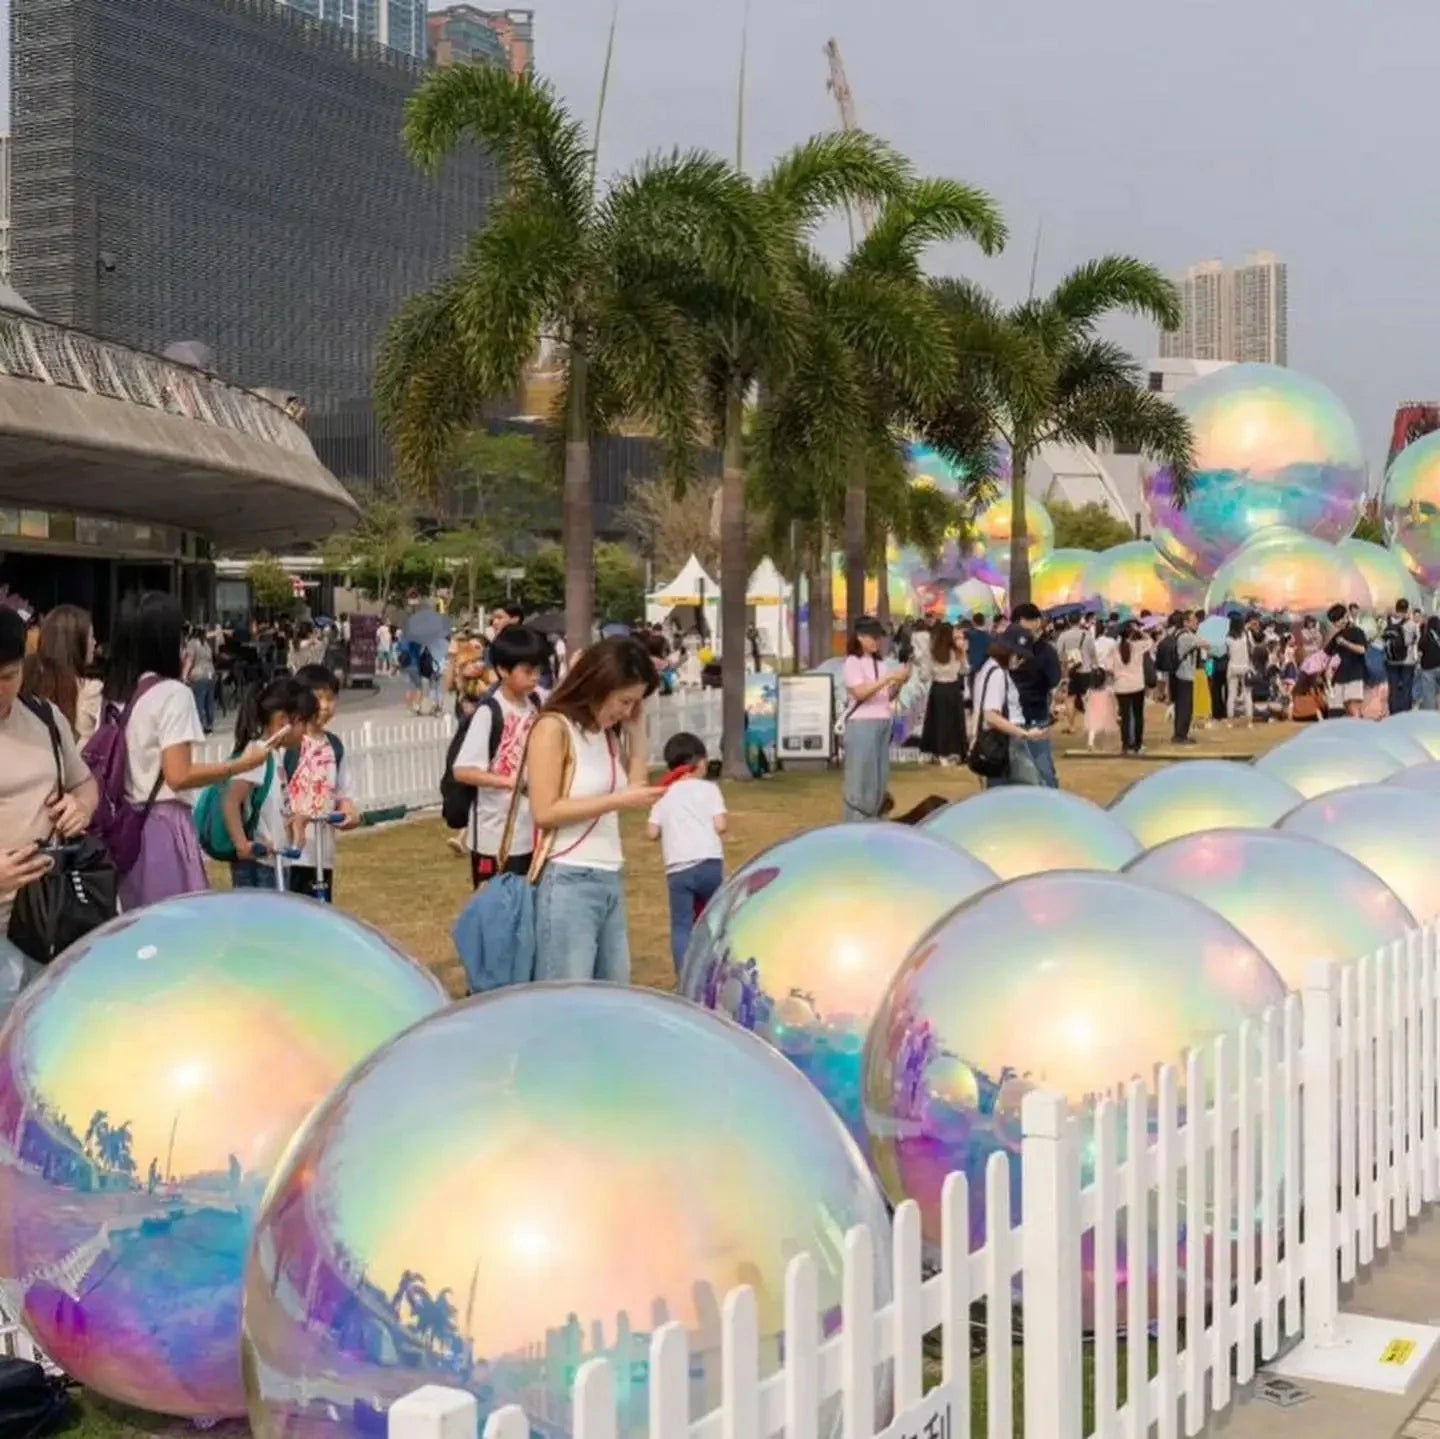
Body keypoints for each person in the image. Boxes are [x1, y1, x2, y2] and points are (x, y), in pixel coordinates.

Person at [104, 591, 269, 910]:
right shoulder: (172, 694)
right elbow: (179, 775)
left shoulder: (118, 694)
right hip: (161, 825)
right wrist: (240, 765)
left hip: (125, 824)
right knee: (177, 925)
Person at [525, 636, 663, 983]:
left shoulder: (605, 735)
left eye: (635, 702)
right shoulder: (553, 728)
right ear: (600, 685)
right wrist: (618, 801)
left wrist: (636, 733)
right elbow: (545, 810)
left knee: (613, 994)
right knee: (568, 999)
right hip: (569, 877)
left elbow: (635, 788)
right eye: (624, 701)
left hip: (609, 875)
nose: (626, 710)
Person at [0, 606, 98, 1016]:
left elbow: (85, 783)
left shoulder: (44, 717)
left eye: (8, 677)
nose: (1, 691)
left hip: (51, 918)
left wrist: (80, 806)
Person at [452, 625, 548, 889]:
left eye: (538, 671)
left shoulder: (536, 706)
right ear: (504, 671)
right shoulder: (489, 712)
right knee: (497, 909)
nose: (535, 678)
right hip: (493, 834)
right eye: (527, 671)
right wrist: (509, 782)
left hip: (530, 829)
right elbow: (463, 770)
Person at [223, 677, 316, 890]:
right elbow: (231, 800)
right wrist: (242, 844)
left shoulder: (274, 756)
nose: (305, 732)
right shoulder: (257, 755)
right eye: (303, 723)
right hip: (259, 866)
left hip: (275, 861)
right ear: (283, 721)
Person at [647, 731, 727, 970]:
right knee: (715, 919)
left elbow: (651, 832)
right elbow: (721, 825)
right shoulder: (710, 790)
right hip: (709, 863)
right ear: (699, 762)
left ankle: (685, 976)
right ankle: (715, 970)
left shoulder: (663, 794)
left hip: (678, 869)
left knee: (682, 925)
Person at [286, 665, 361, 898]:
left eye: (331, 698)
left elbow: (343, 796)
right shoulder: (288, 744)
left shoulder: (335, 747)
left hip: (323, 855)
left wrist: (349, 815)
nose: (325, 706)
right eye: (319, 698)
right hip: (291, 855)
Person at [842, 618, 907, 822]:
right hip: (862, 723)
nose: (876, 642)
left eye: (878, 638)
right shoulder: (852, 662)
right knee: (861, 776)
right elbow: (861, 693)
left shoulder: (881, 664)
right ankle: (855, 819)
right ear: (860, 637)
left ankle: (876, 815)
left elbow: (886, 695)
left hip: (882, 720)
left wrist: (899, 682)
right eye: (872, 637)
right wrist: (886, 679)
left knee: (879, 776)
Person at [969, 628, 1044, 787]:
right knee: (1032, 792)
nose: (1021, 661)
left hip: (995, 741)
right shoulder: (997, 673)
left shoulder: (987, 668)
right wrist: (1024, 734)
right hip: (1007, 740)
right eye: (1020, 656)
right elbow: (991, 715)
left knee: (1001, 793)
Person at [23, 604, 103, 742]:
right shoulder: (91, 690)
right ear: (75, 643)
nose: (94, 643)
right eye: (91, 636)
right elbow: (86, 748)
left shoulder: (25, 677)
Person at [1011, 603, 1061, 787]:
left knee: (1041, 770)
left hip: (1028, 717)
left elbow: (1055, 681)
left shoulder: (1045, 651)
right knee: (1033, 770)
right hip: (1019, 718)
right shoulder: (1044, 651)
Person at [918, 621, 967, 766]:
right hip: (953, 690)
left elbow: (924, 676)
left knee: (937, 721)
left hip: (938, 689)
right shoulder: (957, 652)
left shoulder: (932, 654)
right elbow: (964, 670)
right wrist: (963, 654)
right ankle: (955, 752)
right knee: (954, 721)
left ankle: (936, 752)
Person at [1111, 619, 1153, 755]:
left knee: (1125, 718)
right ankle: (1137, 745)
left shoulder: (1114, 649)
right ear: (1131, 634)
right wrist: (1139, 630)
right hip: (1136, 686)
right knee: (1138, 716)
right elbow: (1150, 640)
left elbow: (1108, 667)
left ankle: (1126, 745)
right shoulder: (1138, 646)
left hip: (1121, 686)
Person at [1325, 602, 1369, 718]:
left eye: (1338, 620)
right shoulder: (1337, 636)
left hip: (1355, 674)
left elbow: (1362, 649)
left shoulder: (1357, 631)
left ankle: (1357, 731)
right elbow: (1326, 654)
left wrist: (1345, 643)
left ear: (1345, 617)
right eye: (1334, 622)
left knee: (1353, 706)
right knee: (1338, 707)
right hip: (1340, 676)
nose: (1336, 624)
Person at [1085, 625, 1120, 752]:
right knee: (1106, 722)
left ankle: (1092, 742)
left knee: (1093, 726)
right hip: (1106, 670)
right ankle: (1106, 744)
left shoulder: (1093, 642)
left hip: (1096, 670)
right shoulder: (1112, 642)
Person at [1384, 599, 1420, 714]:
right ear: (1407, 609)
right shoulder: (1412, 624)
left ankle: (1393, 713)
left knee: (1393, 689)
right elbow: (1416, 640)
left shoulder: (1388, 622)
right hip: (1408, 661)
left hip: (1391, 661)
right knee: (1406, 688)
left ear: (1396, 608)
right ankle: (1405, 715)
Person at [1171, 611, 1201, 744]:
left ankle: (1180, 733)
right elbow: (1205, 644)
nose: (1196, 622)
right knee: (1185, 707)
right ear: (1185, 623)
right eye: (1193, 620)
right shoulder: (1187, 636)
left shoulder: (1177, 633)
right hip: (1185, 675)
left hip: (1179, 674)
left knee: (1181, 706)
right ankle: (1181, 735)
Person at [182, 624, 217, 735]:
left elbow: (190, 660)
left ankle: (201, 725)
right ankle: (209, 724)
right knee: (209, 701)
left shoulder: (192, 644)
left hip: (199, 674)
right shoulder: (206, 644)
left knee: (199, 701)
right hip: (210, 674)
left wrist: (184, 675)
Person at [1224, 615, 1252, 724]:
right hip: (1245, 666)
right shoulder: (1246, 635)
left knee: (1231, 694)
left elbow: (1228, 653)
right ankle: (1249, 718)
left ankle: (1230, 719)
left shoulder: (1228, 638)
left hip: (1232, 667)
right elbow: (1250, 649)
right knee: (1247, 694)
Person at [1418, 616, 1440, 711]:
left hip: (1428, 668)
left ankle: (1432, 717)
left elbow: (1420, 647)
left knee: (1429, 694)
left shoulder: (1426, 635)